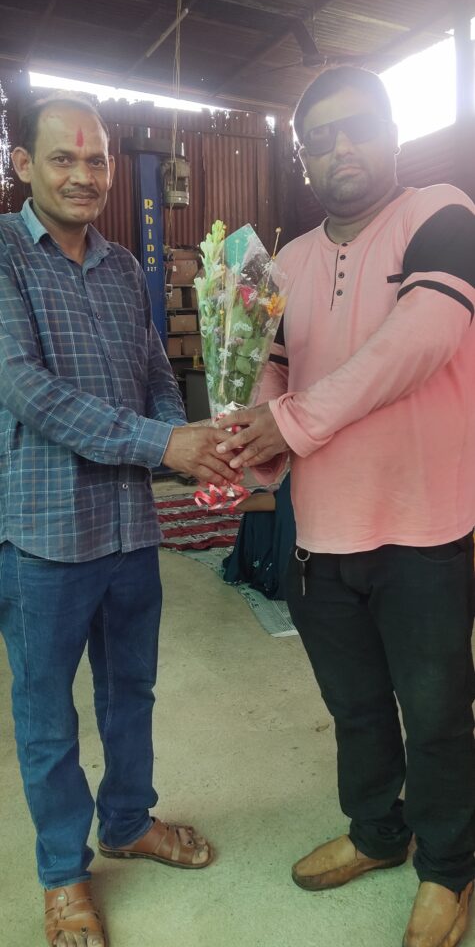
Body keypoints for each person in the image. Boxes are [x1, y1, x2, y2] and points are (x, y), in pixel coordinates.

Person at [216, 65, 475, 947]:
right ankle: (376, 832)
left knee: (436, 715)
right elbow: (271, 364)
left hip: (423, 534)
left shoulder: (441, 213)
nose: (339, 149)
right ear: (302, 159)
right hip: (320, 536)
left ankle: (448, 869)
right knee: (356, 707)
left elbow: (420, 338)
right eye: (317, 140)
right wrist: (251, 430)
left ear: (390, 132)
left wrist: (289, 421)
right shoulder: (283, 260)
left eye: (355, 127)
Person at [0, 93, 238, 947]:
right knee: (46, 716)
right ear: (22, 164)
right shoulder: (5, 258)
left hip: (131, 529)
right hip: (44, 534)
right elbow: (29, 390)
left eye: (96, 158)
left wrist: (193, 440)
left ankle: (129, 822)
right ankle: (63, 874)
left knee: (130, 691)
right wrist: (162, 443)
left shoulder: (122, 265)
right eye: (62, 157)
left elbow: (156, 374)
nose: (84, 174)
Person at [222, 472, 295, 599]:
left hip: (295, 567)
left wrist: (229, 491)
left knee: (258, 506)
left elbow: (242, 505)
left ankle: (249, 566)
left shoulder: (301, 479)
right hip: (326, 555)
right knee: (268, 499)